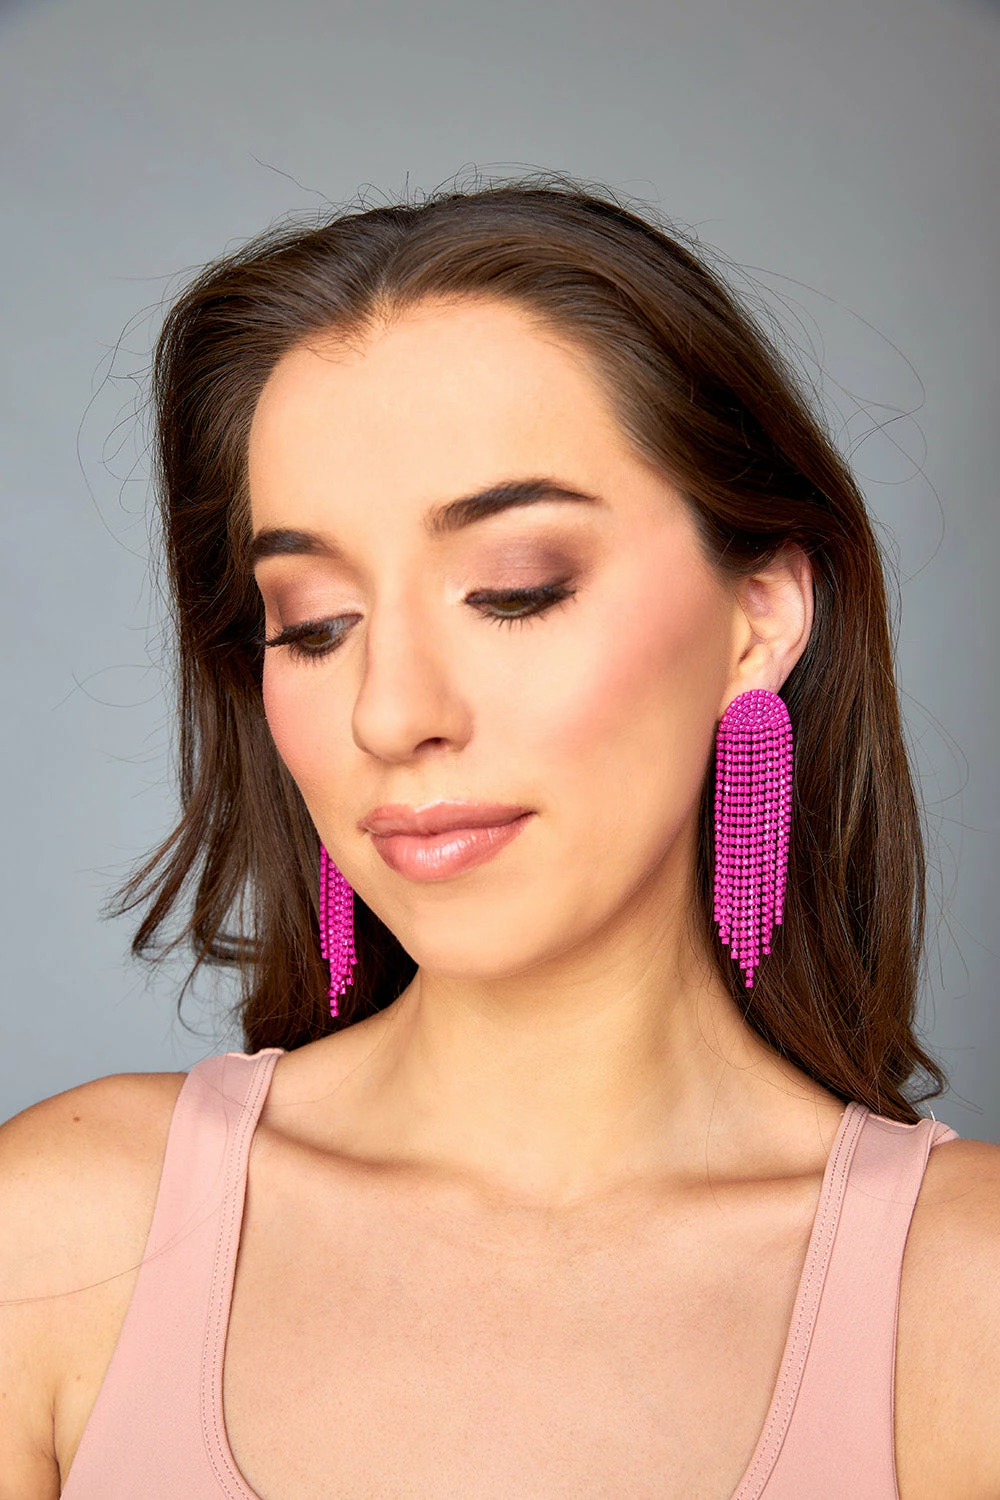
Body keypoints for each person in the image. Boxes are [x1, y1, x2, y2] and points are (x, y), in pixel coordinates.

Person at [1, 175, 997, 1500]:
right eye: (314, 624)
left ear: (758, 617)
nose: (390, 711)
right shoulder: (61, 1239)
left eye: (514, 592)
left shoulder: (967, 1302)